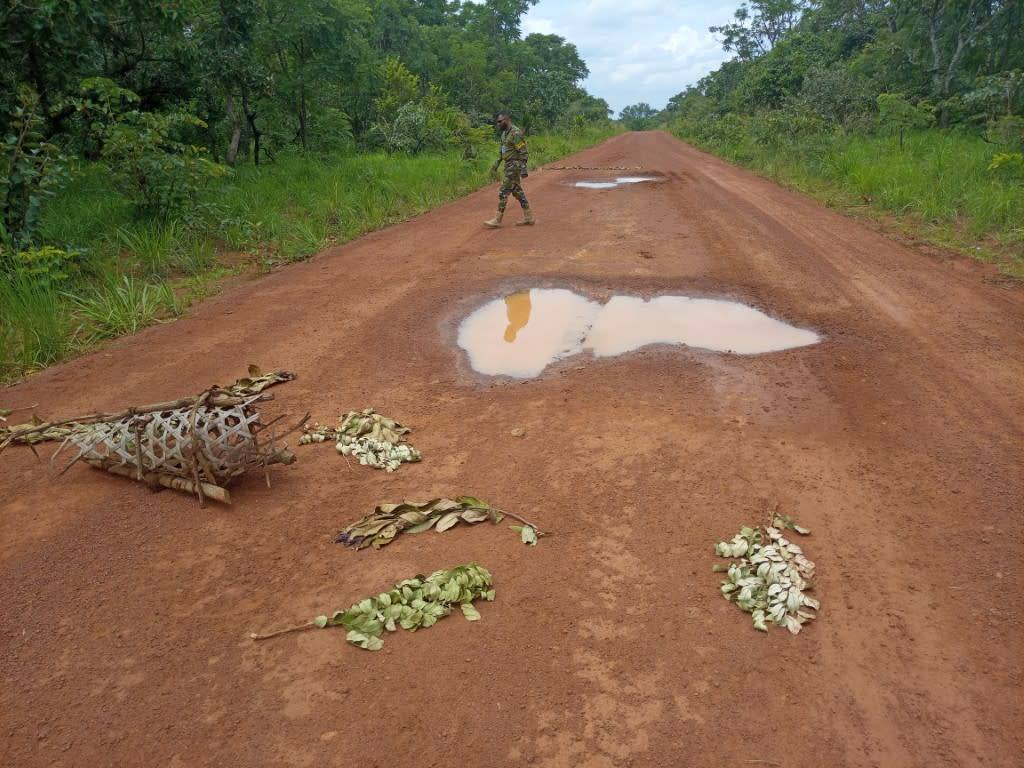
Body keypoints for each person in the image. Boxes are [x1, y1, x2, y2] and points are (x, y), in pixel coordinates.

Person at [484, 111, 534, 228]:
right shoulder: (504, 134)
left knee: (503, 192)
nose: (498, 124)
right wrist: (496, 164)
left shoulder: (515, 133)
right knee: (517, 192)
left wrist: (523, 169)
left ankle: (497, 219)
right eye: (497, 122)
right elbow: (502, 152)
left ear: (507, 120)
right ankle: (528, 217)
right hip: (508, 165)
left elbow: (523, 152)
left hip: (514, 166)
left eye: (500, 121)